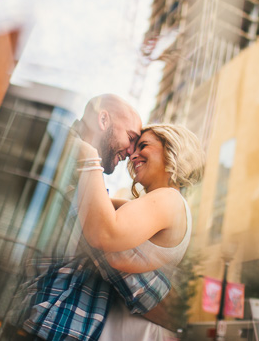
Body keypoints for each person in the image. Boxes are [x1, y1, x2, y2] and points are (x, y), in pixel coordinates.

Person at [76, 123, 205, 340]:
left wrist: (88, 155)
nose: (132, 155)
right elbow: (103, 206)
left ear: (172, 150)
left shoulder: (169, 199)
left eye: (143, 146)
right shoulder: (161, 203)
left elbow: (105, 231)